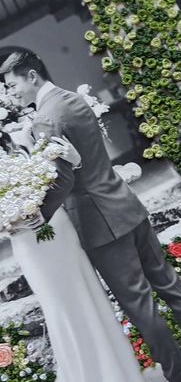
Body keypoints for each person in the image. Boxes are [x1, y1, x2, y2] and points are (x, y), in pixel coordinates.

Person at [0, 51, 181, 382]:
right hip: (126, 205)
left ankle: (179, 375)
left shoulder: (45, 120)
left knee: (141, 307)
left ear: (31, 76)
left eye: (11, 84)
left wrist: (38, 215)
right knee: (170, 287)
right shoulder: (73, 99)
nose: (10, 93)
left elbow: (63, 179)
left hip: (101, 225)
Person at [0, 131, 145, 382]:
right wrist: (10, 222)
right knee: (60, 309)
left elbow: (56, 179)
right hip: (28, 243)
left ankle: (119, 373)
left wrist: (38, 205)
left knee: (87, 294)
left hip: (57, 229)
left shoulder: (21, 143)